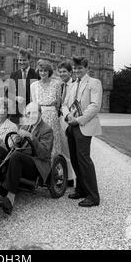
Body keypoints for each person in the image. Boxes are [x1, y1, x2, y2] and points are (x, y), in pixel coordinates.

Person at [0, 102, 54, 215]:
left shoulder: (47, 130)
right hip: (19, 160)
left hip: (36, 164)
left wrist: (31, 137)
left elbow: (45, 154)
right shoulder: (25, 126)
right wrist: (16, 141)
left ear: (40, 114)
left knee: (16, 156)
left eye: (34, 113)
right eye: (28, 113)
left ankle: (10, 197)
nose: (31, 115)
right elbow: (15, 146)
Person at [62, 56, 102, 207]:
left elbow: (95, 106)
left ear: (86, 69)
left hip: (84, 125)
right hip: (71, 125)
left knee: (84, 160)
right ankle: (81, 189)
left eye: (80, 68)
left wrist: (78, 120)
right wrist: (67, 116)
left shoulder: (94, 83)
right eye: (75, 68)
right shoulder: (73, 85)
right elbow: (65, 104)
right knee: (75, 159)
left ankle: (93, 196)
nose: (77, 70)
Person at [30, 59, 62, 158]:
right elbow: (34, 103)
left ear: (49, 71)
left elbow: (58, 103)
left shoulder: (56, 84)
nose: (43, 73)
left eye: (45, 70)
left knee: (54, 143)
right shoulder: (33, 85)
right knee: (39, 141)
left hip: (52, 116)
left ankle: (55, 167)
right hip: (39, 117)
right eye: (40, 71)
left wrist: (53, 113)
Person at [57, 60, 77, 188]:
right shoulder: (59, 85)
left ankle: (74, 178)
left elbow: (76, 104)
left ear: (70, 72)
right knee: (62, 149)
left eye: (64, 71)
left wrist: (69, 117)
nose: (62, 74)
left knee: (71, 150)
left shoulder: (75, 85)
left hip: (70, 120)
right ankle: (67, 177)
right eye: (60, 72)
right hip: (58, 120)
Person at [8, 49, 40, 124]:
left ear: (29, 60)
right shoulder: (13, 74)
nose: (22, 62)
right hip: (15, 113)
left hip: (31, 112)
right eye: (20, 60)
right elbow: (8, 93)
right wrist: (16, 98)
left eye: (24, 60)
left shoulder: (36, 75)